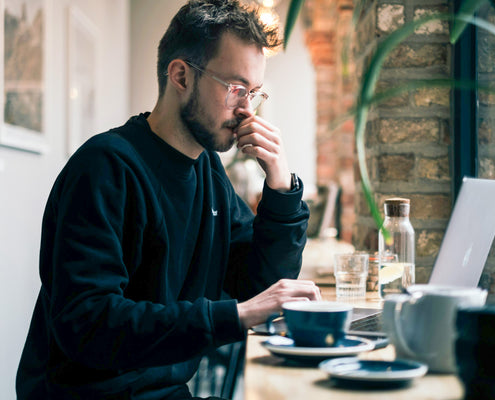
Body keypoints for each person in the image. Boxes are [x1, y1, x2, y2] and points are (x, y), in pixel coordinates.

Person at [16, 1, 321, 398]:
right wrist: (235, 315)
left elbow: (259, 282)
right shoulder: (105, 167)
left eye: (255, 93)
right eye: (236, 89)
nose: (247, 110)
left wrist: (281, 185)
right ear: (180, 75)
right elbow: (89, 323)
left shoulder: (208, 170)